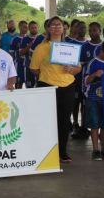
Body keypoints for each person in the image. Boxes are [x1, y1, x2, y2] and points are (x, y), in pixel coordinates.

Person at [30, 16, 81, 163]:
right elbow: (34, 69)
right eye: (53, 25)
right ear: (48, 28)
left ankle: (62, 152)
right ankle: (45, 152)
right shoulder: (41, 47)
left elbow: (78, 68)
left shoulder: (69, 47)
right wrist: (47, 74)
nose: (56, 27)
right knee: (46, 121)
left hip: (67, 87)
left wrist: (72, 68)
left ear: (64, 28)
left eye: (59, 25)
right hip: (47, 86)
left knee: (64, 121)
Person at [66, 21, 88, 138]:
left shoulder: (88, 43)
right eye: (80, 27)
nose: (82, 30)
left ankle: (84, 126)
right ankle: (75, 123)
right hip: (73, 78)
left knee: (84, 103)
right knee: (75, 102)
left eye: (84, 27)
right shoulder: (71, 43)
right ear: (75, 29)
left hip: (85, 80)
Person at [19, 21, 39, 88]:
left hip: (39, 68)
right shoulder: (25, 39)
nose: (34, 29)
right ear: (29, 29)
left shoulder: (41, 38)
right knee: (29, 87)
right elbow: (21, 53)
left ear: (37, 28)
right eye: (32, 28)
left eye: (35, 27)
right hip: (28, 67)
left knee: (39, 87)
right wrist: (29, 46)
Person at [9, 21, 28, 89]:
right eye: (24, 27)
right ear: (19, 27)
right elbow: (11, 54)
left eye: (27, 27)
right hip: (18, 65)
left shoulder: (29, 39)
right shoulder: (15, 39)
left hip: (27, 66)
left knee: (28, 87)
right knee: (18, 86)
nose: (26, 28)